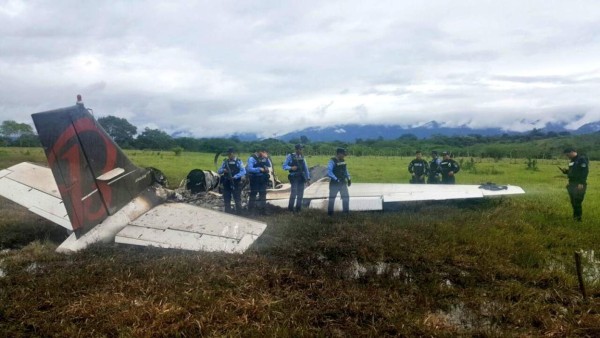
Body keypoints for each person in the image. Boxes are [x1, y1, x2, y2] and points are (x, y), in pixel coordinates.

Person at [559, 148, 589, 221]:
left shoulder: (581, 159)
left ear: (572, 152)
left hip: (579, 184)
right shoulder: (572, 161)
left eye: (568, 154)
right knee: (573, 201)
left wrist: (581, 183)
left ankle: (578, 219)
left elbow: (584, 172)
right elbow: (573, 171)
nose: (567, 156)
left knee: (577, 201)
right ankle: (575, 217)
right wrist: (566, 171)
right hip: (572, 183)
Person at [217, 148, 246, 214]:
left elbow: (243, 171)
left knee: (237, 199)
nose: (230, 155)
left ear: (234, 153)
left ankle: (239, 214)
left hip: (236, 182)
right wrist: (223, 170)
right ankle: (228, 213)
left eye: (231, 153)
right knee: (227, 199)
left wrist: (236, 176)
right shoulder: (225, 162)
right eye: (229, 154)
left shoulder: (239, 161)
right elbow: (219, 171)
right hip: (226, 182)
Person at [283, 144, 310, 212]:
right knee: (294, 193)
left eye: (302, 149)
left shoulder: (302, 157)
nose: (301, 150)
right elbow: (284, 166)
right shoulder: (290, 156)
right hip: (294, 177)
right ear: (296, 149)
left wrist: (308, 178)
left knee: (300, 193)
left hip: (301, 177)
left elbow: (305, 168)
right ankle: (290, 209)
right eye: (300, 149)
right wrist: (291, 168)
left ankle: (298, 209)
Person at [246, 147, 272, 215]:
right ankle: (250, 211)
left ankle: (263, 211)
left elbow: (269, 165)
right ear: (259, 151)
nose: (264, 153)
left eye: (265, 152)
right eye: (263, 152)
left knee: (263, 195)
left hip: (263, 179)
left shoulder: (264, 158)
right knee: (253, 195)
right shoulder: (252, 158)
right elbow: (249, 169)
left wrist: (266, 158)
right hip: (255, 179)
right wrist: (259, 169)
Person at [327, 148, 351, 216]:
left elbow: (345, 170)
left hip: (343, 182)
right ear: (339, 153)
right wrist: (336, 179)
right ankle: (330, 215)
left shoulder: (343, 161)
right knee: (332, 198)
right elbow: (329, 172)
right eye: (343, 154)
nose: (344, 156)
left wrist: (349, 178)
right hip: (334, 183)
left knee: (346, 197)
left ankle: (346, 213)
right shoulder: (332, 161)